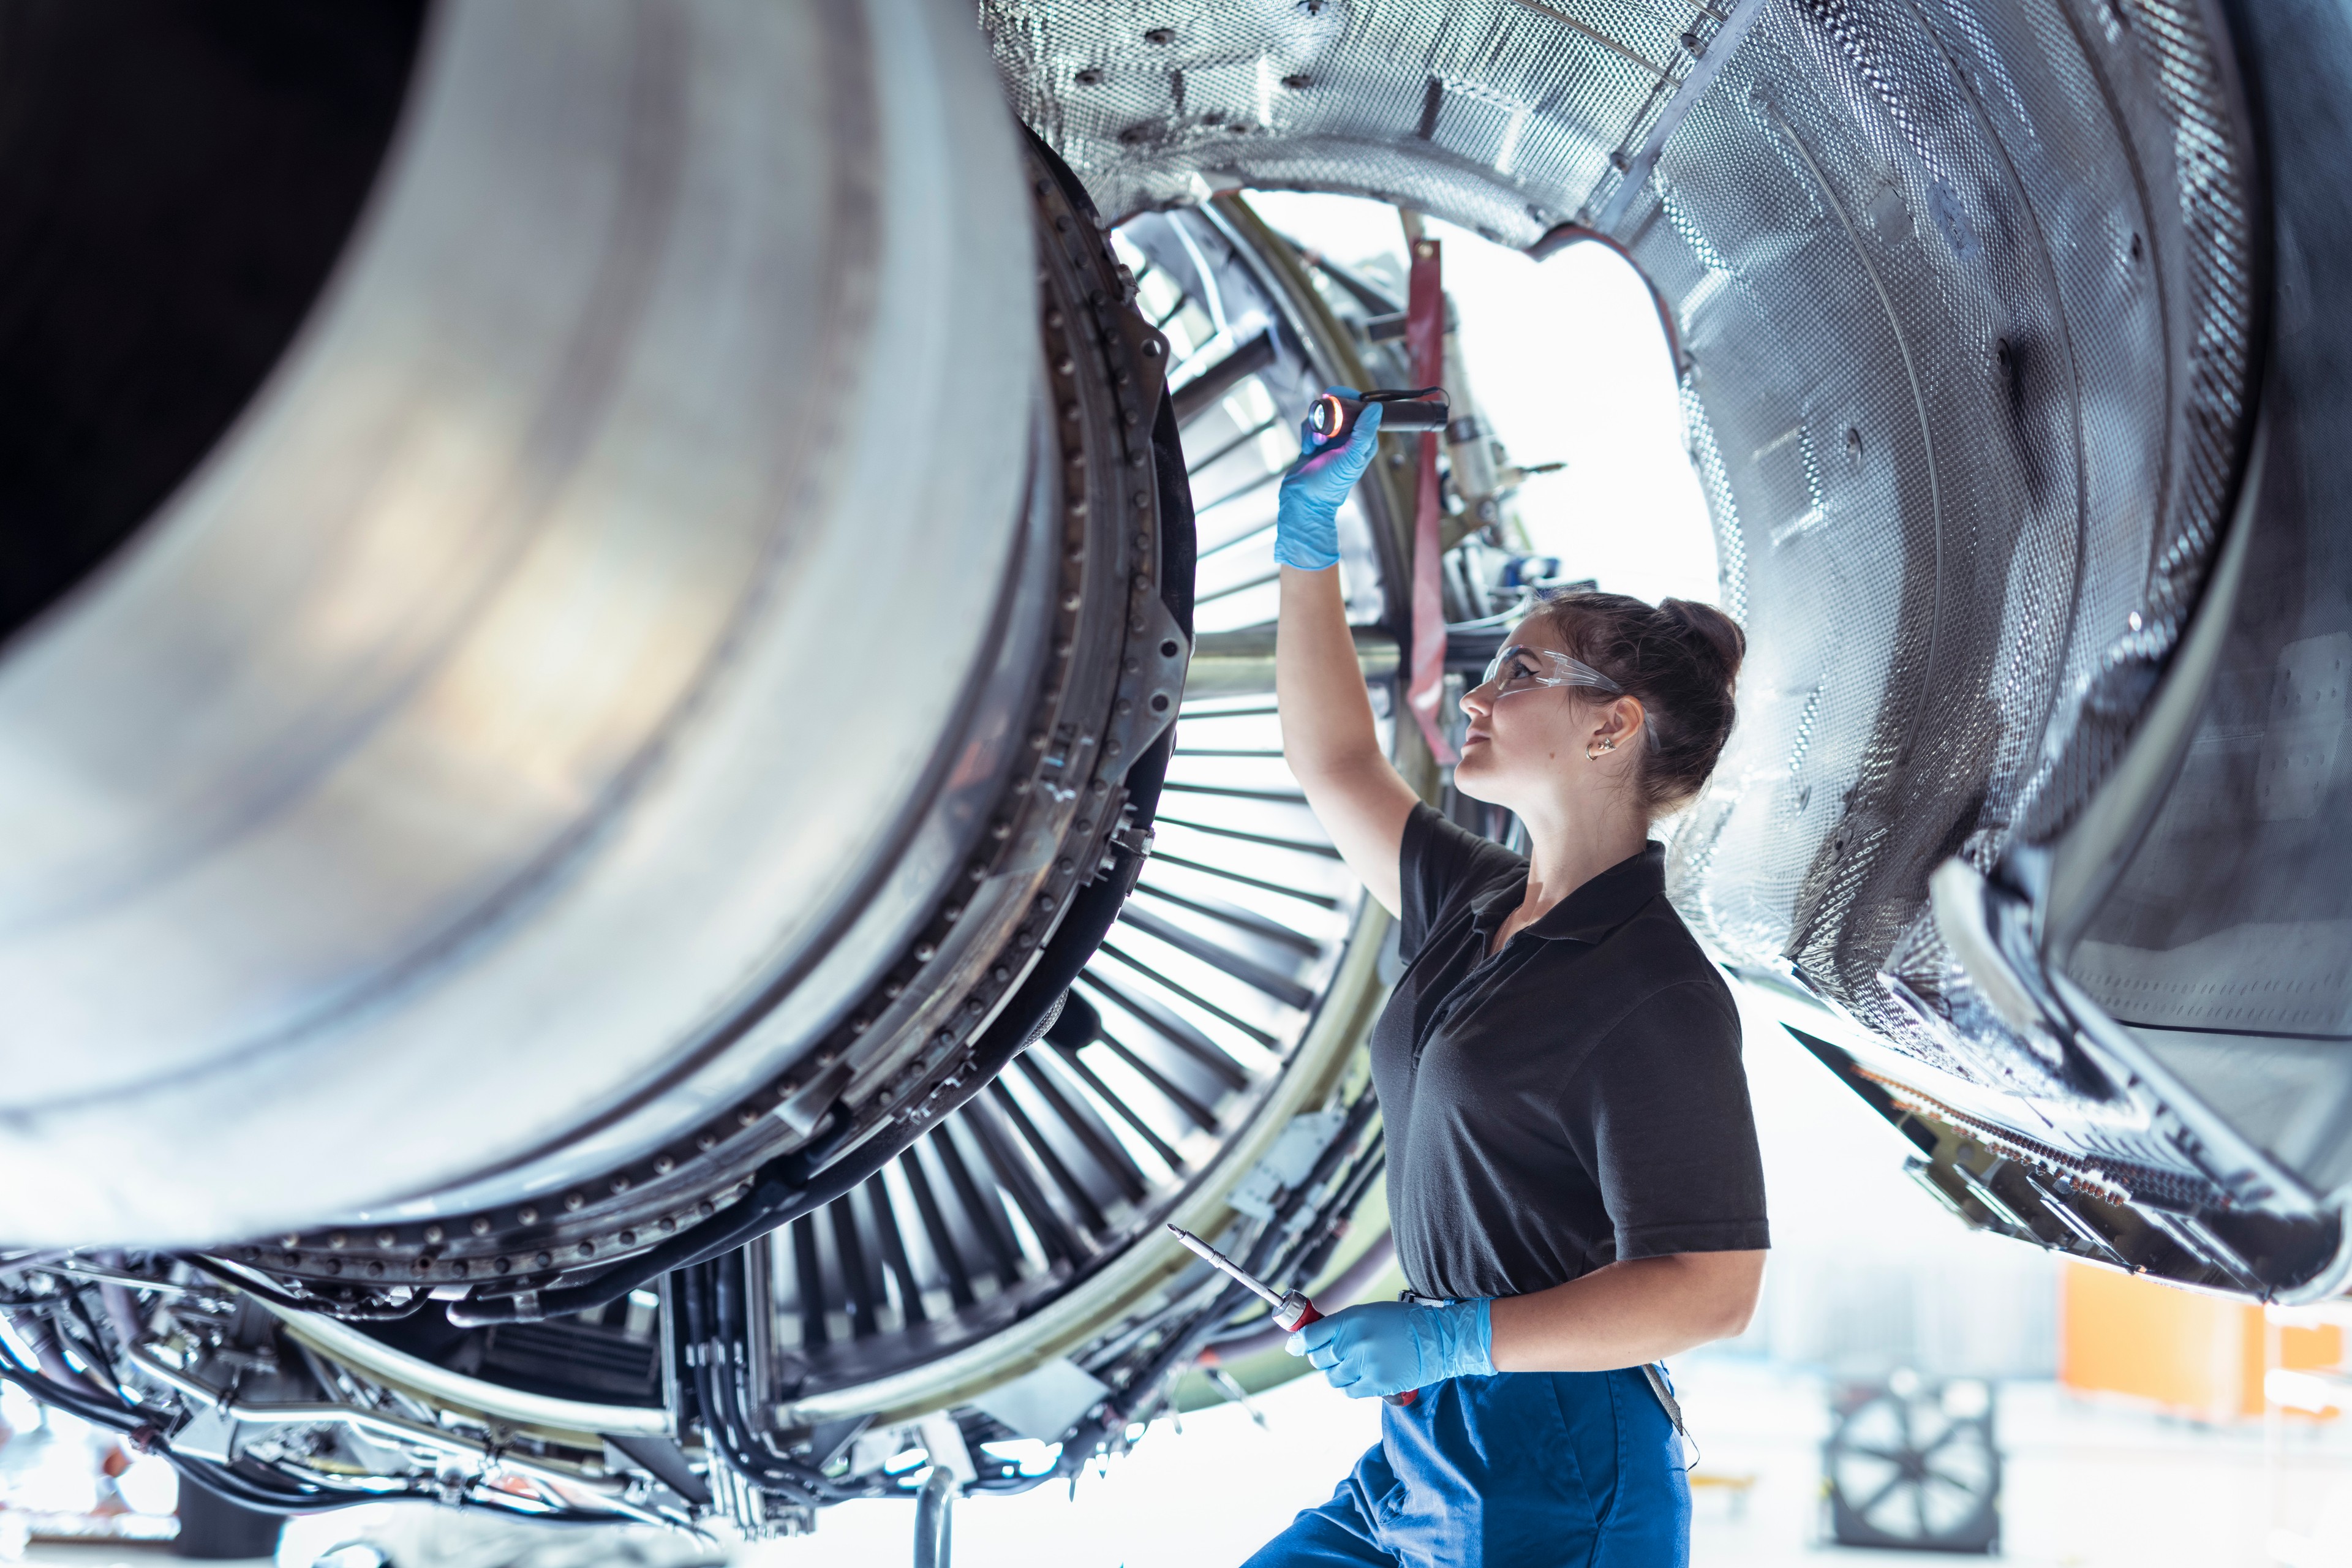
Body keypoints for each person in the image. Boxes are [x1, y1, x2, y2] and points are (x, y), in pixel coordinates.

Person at [1245, 396, 1769, 1568]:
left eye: (1520, 671)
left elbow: (1713, 1292)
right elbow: (1333, 761)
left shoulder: (1655, 989)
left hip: (1559, 1459)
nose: (1476, 696)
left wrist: (1452, 1342)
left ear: (1611, 727)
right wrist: (1307, 541)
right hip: (1433, 1440)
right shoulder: (1474, 904)